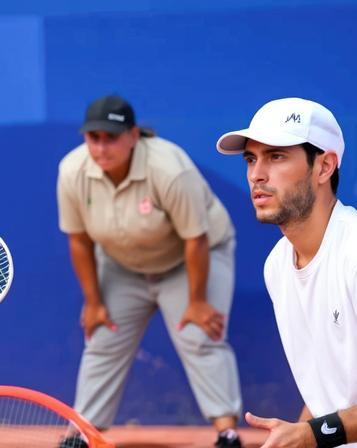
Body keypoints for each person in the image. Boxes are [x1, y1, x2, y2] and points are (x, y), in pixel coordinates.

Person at [216, 97, 357, 447]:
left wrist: (311, 435)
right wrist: (297, 436)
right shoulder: (278, 264)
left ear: (324, 167)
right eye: (251, 158)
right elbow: (333, 393)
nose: (256, 174)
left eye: (276, 156)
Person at [57, 95, 244, 448]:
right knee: (102, 339)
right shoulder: (71, 171)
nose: (101, 147)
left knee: (201, 335)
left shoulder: (169, 168)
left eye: (111, 137)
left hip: (190, 258)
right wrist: (94, 302)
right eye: (93, 137)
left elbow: (196, 238)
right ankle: (82, 436)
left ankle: (227, 434)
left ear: (134, 135)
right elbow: (79, 241)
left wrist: (198, 301)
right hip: (122, 265)